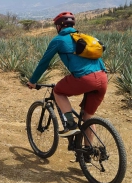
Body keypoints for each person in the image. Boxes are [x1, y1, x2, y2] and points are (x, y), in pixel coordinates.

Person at [26, 12, 107, 144]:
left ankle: (70, 124)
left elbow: (44, 62)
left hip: (85, 79)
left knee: (58, 91)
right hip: (103, 78)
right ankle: (88, 153)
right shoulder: (84, 37)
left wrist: (33, 81)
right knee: (87, 117)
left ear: (58, 26)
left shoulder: (58, 40)